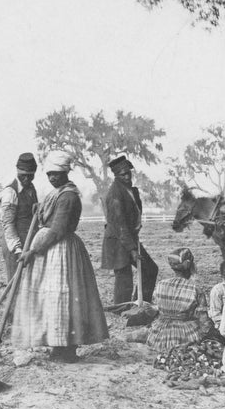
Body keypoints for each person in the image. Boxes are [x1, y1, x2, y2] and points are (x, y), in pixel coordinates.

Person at [11, 150, 109, 363]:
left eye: (56, 174)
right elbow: (50, 217)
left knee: (62, 297)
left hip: (60, 250)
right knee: (52, 299)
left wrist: (33, 251)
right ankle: (57, 345)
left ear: (65, 173)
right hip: (51, 249)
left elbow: (57, 231)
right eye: (49, 174)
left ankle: (67, 348)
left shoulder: (68, 196)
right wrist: (41, 209)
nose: (52, 178)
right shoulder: (58, 193)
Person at [101, 155, 159, 304]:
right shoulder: (115, 194)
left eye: (128, 173)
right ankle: (121, 308)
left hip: (129, 238)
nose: (127, 176)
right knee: (124, 276)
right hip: (117, 240)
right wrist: (132, 250)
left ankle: (142, 303)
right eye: (123, 174)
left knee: (150, 269)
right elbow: (120, 225)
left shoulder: (131, 190)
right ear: (116, 175)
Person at [147, 247, 211, 353]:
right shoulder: (195, 288)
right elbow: (203, 320)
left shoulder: (161, 284)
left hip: (160, 335)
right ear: (190, 266)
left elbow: (156, 309)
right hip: (186, 335)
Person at [0, 152, 39, 281]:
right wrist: (18, 250)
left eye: (30, 176)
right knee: (15, 284)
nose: (27, 179)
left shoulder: (31, 188)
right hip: (15, 246)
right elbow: (8, 225)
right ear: (17, 172)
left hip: (30, 245)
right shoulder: (10, 193)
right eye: (23, 176)